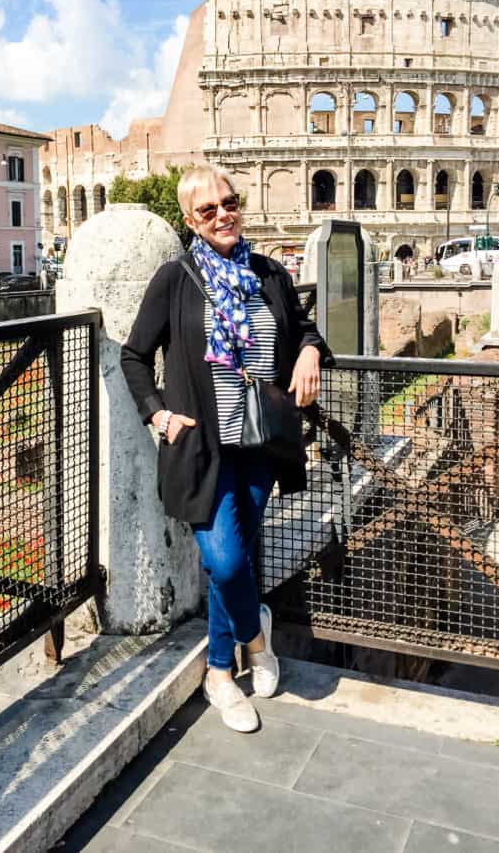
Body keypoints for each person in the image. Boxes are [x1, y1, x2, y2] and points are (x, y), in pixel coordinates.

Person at [121, 165, 333, 733]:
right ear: (189, 220)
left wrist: (310, 352)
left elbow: (303, 327)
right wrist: (158, 414)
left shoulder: (267, 274)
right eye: (208, 210)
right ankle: (256, 637)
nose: (223, 215)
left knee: (231, 566)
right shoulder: (177, 279)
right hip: (201, 446)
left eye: (229, 203)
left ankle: (219, 674)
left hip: (261, 443)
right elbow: (134, 357)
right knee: (226, 560)